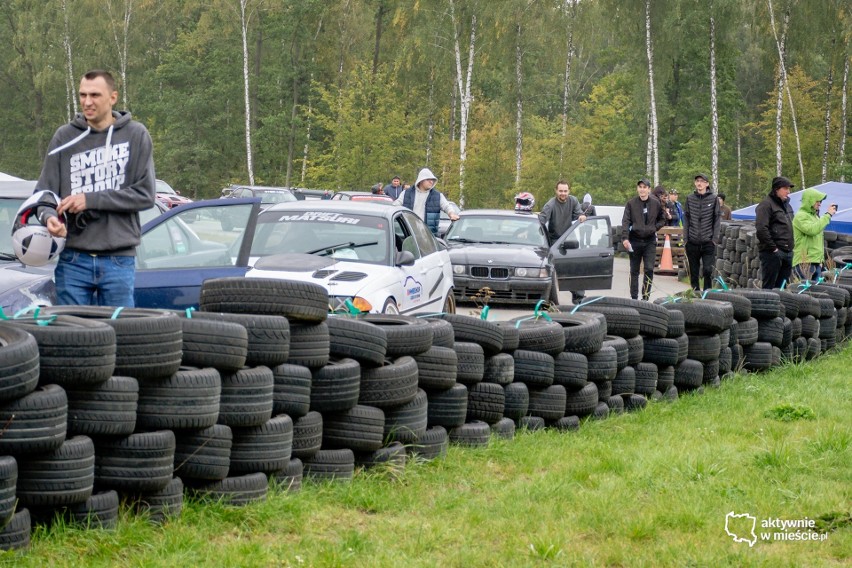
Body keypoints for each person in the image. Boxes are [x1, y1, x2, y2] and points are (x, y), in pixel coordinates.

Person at [39, 69, 155, 307]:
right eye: (83, 95)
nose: (87, 102)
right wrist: (50, 218)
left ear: (113, 97)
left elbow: (145, 195)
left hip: (118, 259)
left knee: (120, 334)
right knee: (72, 336)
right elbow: (43, 196)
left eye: (95, 95)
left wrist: (90, 200)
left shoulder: (136, 135)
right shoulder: (64, 137)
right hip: (72, 259)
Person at [539, 180, 587, 303]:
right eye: (560, 191)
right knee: (553, 270)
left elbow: (579, 213)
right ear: (556, 191)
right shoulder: (550, 205)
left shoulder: (573, 201)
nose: (563, 193)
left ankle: (579, 298)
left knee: (575, 268)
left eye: (565, 191)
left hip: (569, 239)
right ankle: (548, 299)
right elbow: (541, 221)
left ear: (569, 191)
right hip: (554, 241)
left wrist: (581, 216)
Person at [621, 179, 666, 301]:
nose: (642, 189)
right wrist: (625, 238)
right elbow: (625, 221)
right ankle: (634, 297)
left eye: (644, 187)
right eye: (640, 187)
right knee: (634, 270)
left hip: (649, 240)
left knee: (649, 269)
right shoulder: (631, 204)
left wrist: (654, 228)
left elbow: (663, 218)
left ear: (649, 189)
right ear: (637, 189)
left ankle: (645, 297)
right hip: (635, 239)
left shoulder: (656, 203)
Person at [682, 172, 721, 292]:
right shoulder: (690, 198)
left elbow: (717, 219)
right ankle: (695, 293)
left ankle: (707, 292)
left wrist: (714, 239)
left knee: (707, 270)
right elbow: (686, 219)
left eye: (702, 181)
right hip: (692, 241)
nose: (699, 183)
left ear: (707, 184)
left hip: (708, 241)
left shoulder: (714, 199)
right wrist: (686, 239)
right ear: (695, 183)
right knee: (694, 271)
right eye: (697, 181)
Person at [755, 176, 795, 289]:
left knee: (782, 288)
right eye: (785, 188)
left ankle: (780, 306)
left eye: (789, 189)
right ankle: (766, 306)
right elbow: (761, 229)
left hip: (788, 252)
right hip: (772, 253)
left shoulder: (787, 206)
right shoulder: (765, 205)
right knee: (769, 287)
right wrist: (773, 248)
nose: (788, 191)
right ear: (776, 189)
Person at [393, 168, 458, 235]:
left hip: (429, 237)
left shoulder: (437, 196)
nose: (431, 182)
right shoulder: (406, 193)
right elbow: (395, 206)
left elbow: (447, 206)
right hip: (408, 234)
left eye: (432, 180)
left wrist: (451, 214)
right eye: (428, 179)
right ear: (421, 180)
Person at [792, 187, 836, 281]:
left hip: (815, 262)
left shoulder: (814, 217)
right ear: (810, 201)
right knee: (805, 293)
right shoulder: (800, 216)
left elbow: (816, 240)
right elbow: (812, 230)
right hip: (804, 262)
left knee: (814, 294)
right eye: (817, 201)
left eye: (820, 201)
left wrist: (820, 261)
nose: (820, 203)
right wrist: (828, 215)